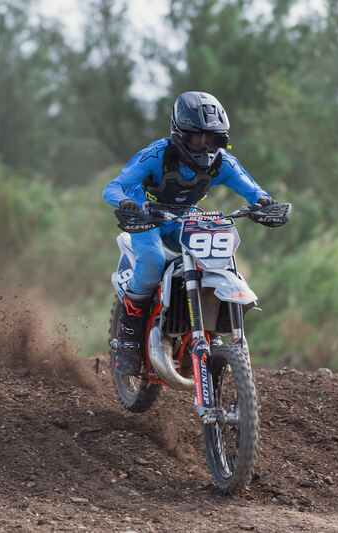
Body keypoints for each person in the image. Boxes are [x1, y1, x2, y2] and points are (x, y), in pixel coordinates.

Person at [103, 91, 279, 375]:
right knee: (152, 262)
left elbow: (253, 190)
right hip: (146, 216)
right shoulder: (157, 155)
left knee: (214, 256)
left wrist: (264, 203)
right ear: (179, 135)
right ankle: (130, 341)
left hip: (183, 217)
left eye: (213, 140)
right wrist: (125, 202)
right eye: (197, 139)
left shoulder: (223, 162)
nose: (205, 147)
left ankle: (208, 326)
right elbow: (113, 186)